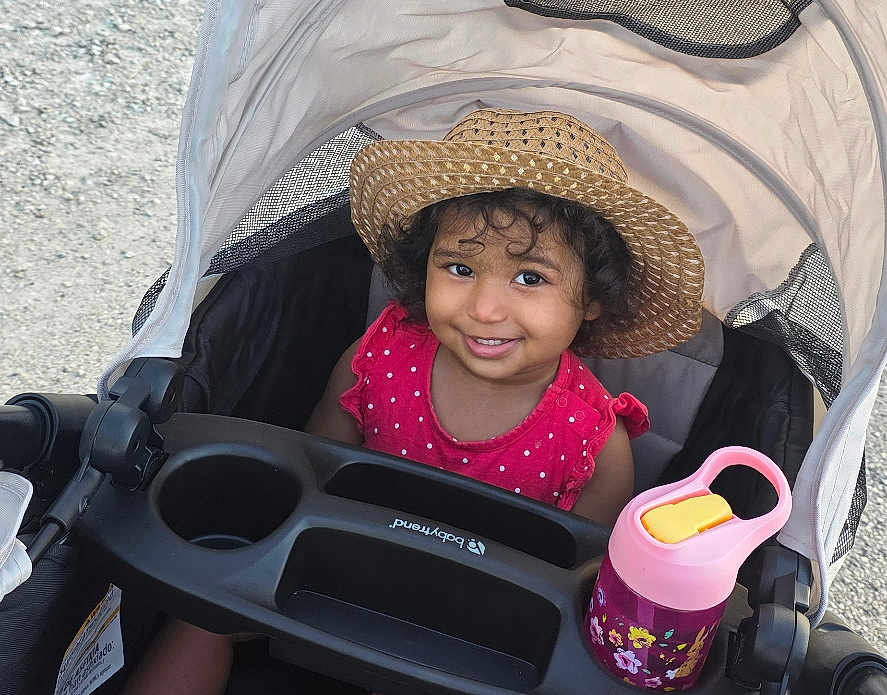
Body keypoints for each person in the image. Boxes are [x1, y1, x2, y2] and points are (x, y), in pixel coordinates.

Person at [123, 107, 704, 695]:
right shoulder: (376, 357)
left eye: (529, 279)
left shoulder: (594, 438)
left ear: (593, 300)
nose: (484, 308)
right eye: (459, 267)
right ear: (421, 267)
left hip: (485, 635)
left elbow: (581, 591)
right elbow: (310, 475)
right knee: (205, 606)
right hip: (341, 574)